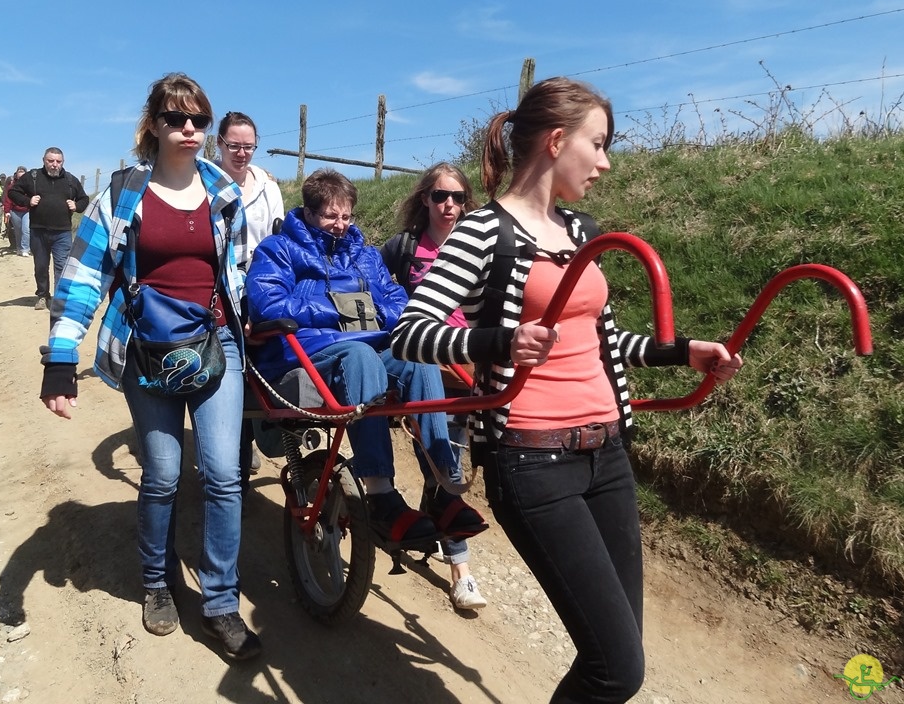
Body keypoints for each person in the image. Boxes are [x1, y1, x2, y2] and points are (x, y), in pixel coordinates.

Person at [391, 77, 743, 703]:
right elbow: (410, 334)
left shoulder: (579, 228)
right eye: (599, 145)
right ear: (556, 141)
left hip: (607, 456)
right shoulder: (483, 232)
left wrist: (680, 352)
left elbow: (600, 339)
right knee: (617, 669)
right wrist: (497, 342)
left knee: (619, 652)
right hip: (531, 460)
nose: (606, 163)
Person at [38, 73, 260, 660]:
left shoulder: (224, 193)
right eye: (175, 118)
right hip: (146, 349)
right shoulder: (120, 195)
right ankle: (157, 584)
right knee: (162, 472)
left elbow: (234, 278)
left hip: (216, 346)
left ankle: (219, 602)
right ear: (154, 125)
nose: (189, 129)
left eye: (199, 120)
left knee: (222, 474)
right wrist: (61, 360)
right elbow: (84, 277)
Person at [246, 168, 487, 568]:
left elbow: (398, 303)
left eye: (347, 217)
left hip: (367, 344)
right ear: (308, 213)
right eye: (330, 217)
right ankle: (380, 494)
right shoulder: (278, 249)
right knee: (358, 357)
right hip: (305, 353)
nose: (340, 226)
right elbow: (268, 304)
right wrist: (338, 311)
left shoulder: (365, 255)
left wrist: (371, 312)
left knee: (417, 357)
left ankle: (444, 485)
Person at [379, 162, 487, 609]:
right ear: (424, 198)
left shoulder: (478, 249)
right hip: (424, 366)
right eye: (441, 196)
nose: (449, 205)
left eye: (458, 198)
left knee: (448, 456)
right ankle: (461, 570)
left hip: (469, 369)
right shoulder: (403, 249)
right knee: (446, 464)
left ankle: (430, 523)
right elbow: (380, 301)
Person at [216, 111, 285, 489]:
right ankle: (235, 461)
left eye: (248, 146)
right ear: (219, 144)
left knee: (264, 362)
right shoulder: (205, 183)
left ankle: (264, 431)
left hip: (261, 284)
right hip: (221, 286)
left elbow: (277, 241)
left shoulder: (268, 188)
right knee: (232, 371)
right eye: (234, 146)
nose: (241, 153)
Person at [9, 147, 89, 310]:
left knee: (62, 266)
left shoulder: (70, 180)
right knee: (40, 266)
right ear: (44, 161)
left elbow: (84, 199)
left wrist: (77, 205)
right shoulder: (33, 177)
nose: (54, 165)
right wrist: (28, 201)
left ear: (63, 162)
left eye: (58, 161)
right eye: (50, 161)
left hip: (63, 232)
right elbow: (13, 193)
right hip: (38, 231)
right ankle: (42, 296)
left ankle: (60, 298)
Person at [5, 165, 30, 255]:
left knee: (26, 229)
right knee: (18, 230)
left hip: (27, 211)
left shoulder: (30, 185)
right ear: (16, 174)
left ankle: (25, 249)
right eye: (19, 171)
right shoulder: (12, 186)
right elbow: (8, 199)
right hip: (15, 211)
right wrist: (7, 211)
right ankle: (19, 248)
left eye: (23, 171)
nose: (21, 173)